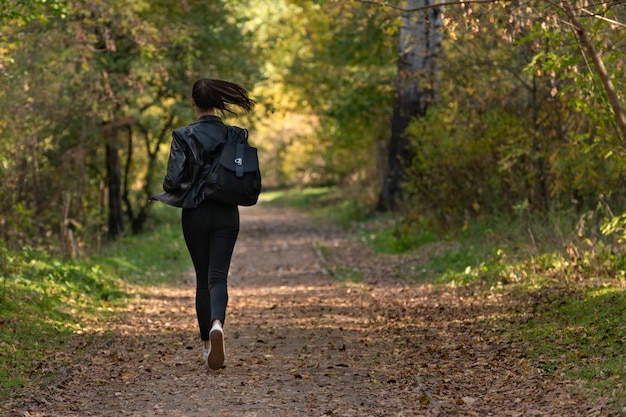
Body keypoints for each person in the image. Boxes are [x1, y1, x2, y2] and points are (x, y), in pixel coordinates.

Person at [152, 78, 256, 370]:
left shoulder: (183, 135)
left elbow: (172, 180)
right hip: (226, 212)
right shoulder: (235, 134)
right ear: (218, 102)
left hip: (195, 212)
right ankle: (218, 324)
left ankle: (207, 347)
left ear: (194, 103)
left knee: (201, 280)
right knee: (218, 277)